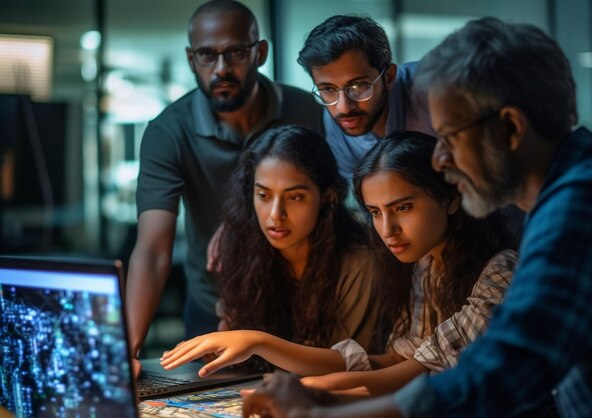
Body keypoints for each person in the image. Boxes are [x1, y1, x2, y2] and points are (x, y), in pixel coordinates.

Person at [242, 17, 592, 418]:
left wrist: (325, 414)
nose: (439, 160)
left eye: (449, 137)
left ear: (510, 127)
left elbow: (507, 368)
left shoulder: (584, 203)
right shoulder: (573, 194)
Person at [160, 132, 518, 395]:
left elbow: (409, 375)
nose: (387, 229)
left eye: (403, 207)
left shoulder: (500, 272)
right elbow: (392, 361)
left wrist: (314, 392)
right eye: (376, 213)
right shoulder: (425, 266)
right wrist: (262, 347)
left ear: (451, 199)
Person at [125, 0, 323, 375]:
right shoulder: (168, 131)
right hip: (215, 307)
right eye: (206, 55)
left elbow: (336, 203)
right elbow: (152, 250)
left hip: (306, 297)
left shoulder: (308, 111)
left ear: (259, 52)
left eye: (235, 53)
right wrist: (127, 348)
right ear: (190, 59)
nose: (221, 69)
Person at [163, 124, 380, 370]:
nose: (276, 215)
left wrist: (257, 342)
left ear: (327, 197)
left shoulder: (358, 263)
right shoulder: (246, 250)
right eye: (264, 196)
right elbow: (234, 338)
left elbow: (344, 365)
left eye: (294, 197)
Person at [297, 15, 433, 181]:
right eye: (328, 89)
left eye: (357, 86)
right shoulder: (334, 119)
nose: (343, 108)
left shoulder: (434, 92)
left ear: (389, 77)